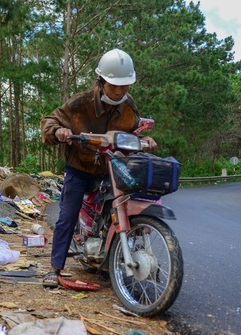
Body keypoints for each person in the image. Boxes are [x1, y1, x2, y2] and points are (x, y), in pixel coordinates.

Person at [40, 48, 157, 288]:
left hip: (110, 167)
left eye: (125, 86)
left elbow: (132, 131)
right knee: (68, 214)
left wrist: (143, 141)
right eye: (114, 85)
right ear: (100, 82)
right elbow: (50, 121)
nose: (119, 91)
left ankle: (110, 258)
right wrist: (57, 131)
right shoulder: (79, 104)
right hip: (80, 166)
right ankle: (54, 268)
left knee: (119, 205)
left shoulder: (128, 107)